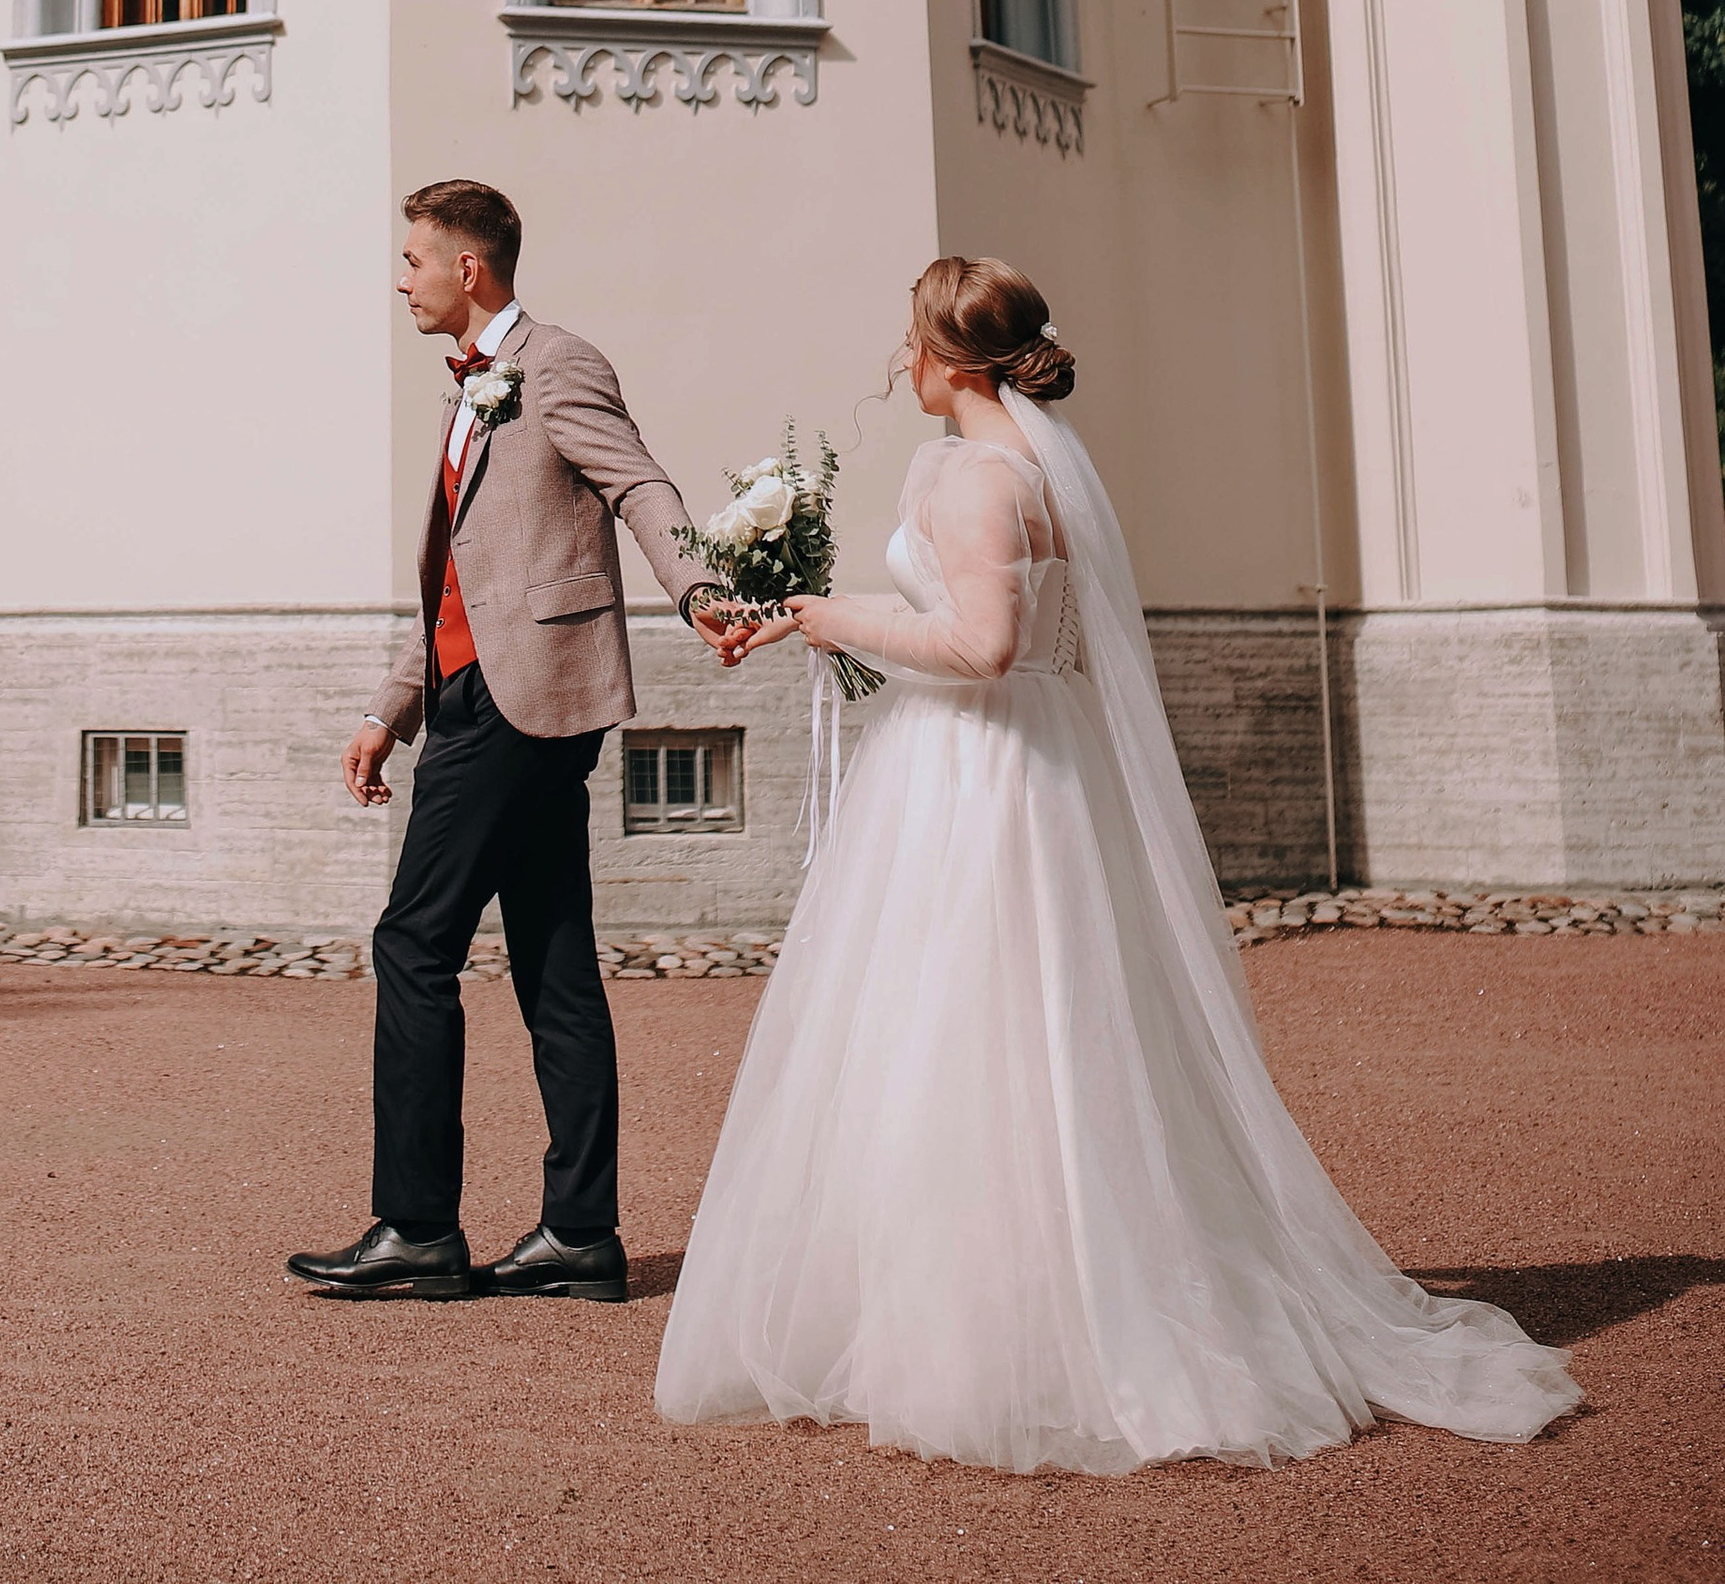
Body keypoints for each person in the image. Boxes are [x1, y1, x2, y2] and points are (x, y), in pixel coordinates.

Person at [657, 255, 1580, 1468]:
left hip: (984, 770)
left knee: (980, 1028)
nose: (900, 361)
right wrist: (803, 618)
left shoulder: (987, 478)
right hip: (992, 761)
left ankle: (1014, 1330)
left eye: (909, 342)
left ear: (946, 357)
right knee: (960, 1027)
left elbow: (984, 645)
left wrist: (828, 616)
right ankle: (932, 1307)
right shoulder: (992, 465)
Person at [287, 179, 738, 1306]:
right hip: (473, 695)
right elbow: (461, 582)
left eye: (412, 260)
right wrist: (388, 709)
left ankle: (417, 1227)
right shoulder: (470, 387)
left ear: (468, 270)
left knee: (412, 942)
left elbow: (638, 482)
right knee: (553, 960)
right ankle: (580, 1235)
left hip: (517, 703)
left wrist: (699, 590)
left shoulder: (560, 363)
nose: (401, 279)